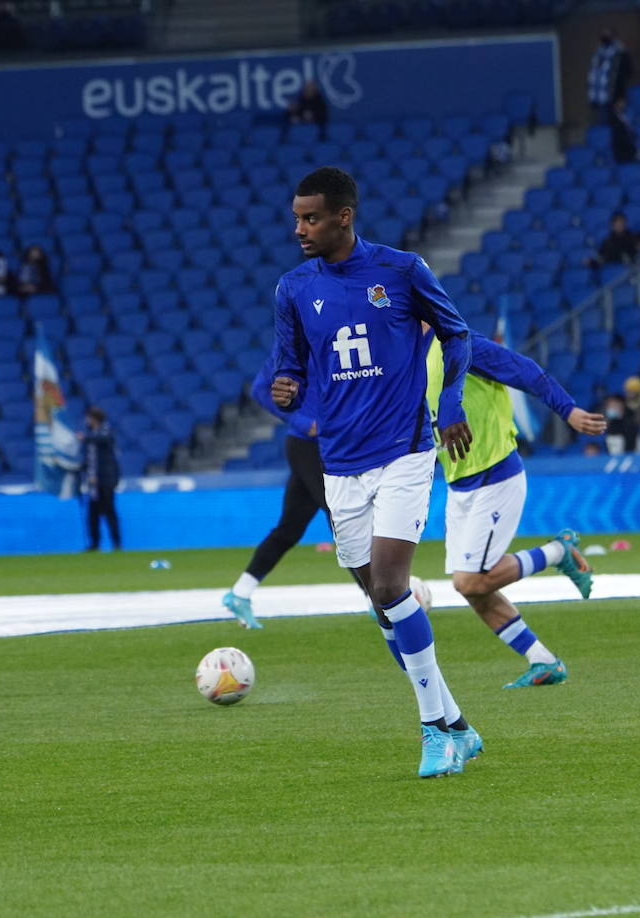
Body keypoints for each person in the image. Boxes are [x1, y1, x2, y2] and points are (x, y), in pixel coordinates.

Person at [270, 166, 480, 778]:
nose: (300, 228)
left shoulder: (402, 271)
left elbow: (456, 332)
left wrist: (450, 406)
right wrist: (288, 387)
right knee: (379, 603)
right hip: (340, 459)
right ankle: (458, 724)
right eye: (296, 217)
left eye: (311, 217)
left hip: (404, 450)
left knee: (391, 586)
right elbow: (291, 367)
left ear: (344, 216)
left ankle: (432, 732)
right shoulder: (293, 288)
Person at [422, 323, 606, 688]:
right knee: (471, 589)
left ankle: (559, 552)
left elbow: (523, 370)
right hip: (459, 483)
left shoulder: (458, 343)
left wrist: (567, 409)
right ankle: (543, 660)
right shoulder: (408, 356)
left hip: (495, 476)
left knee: (470, 580)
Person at [221, 355, 338, 629]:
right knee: (340, 516)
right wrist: (301, 420)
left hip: (326, 444)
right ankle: (379, 599)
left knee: (289, 529)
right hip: (308, 445)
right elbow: (261, 389)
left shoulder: (332, 330)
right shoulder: (292, 345)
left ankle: (239, 593)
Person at [79, 406, 121, 551]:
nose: (86, 421)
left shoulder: (105, 430)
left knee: (109, 512)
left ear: (94, 418)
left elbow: (104, 439)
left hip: (106, 481)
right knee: (93, 514)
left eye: (88, 418)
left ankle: (116, 543)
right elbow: (89, 460)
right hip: (93, 483)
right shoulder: (92, 435)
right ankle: (94, 544)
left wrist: (84, 438)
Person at [586, 31, 630, 123]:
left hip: (614, 97)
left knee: (616, 124)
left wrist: (620, 96)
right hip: (599, 98)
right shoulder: (598, 54)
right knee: (602, 126)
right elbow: (593, 76)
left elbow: (623, 76)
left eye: (608, 35)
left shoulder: (620, 54)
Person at [608, 96, 638, 164]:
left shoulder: (625, 117)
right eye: (620, 103)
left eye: (624, 103)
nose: (623, 104)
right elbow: (621, 137)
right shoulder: (612, 119)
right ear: (615, 104)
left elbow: (633, 134)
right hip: (621, 151)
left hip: (631, 148)